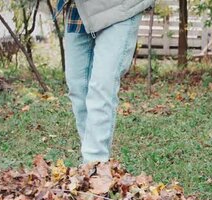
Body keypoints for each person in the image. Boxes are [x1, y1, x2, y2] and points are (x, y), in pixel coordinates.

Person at [56, 0, 154, 163]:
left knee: (102, 86)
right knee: (78, 88)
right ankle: (90, 165)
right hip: (79, 9)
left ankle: (94, 166)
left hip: (118, 8)